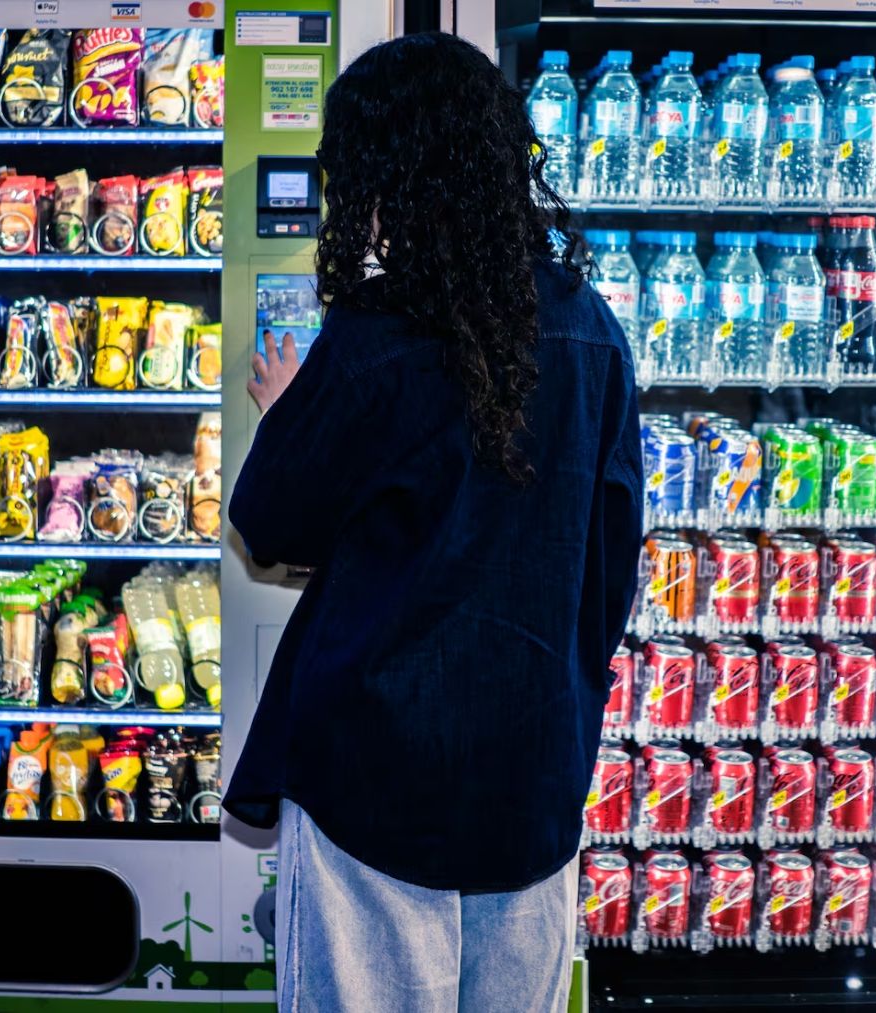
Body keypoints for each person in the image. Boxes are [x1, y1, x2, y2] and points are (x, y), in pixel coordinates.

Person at [223, 32, 644, 1013]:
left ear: (385, 173)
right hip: (532, 778)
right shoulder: (590, 329)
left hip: (374, 779)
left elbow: (270, 520)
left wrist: (287, 413)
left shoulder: (375, 335)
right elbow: (611, 560)